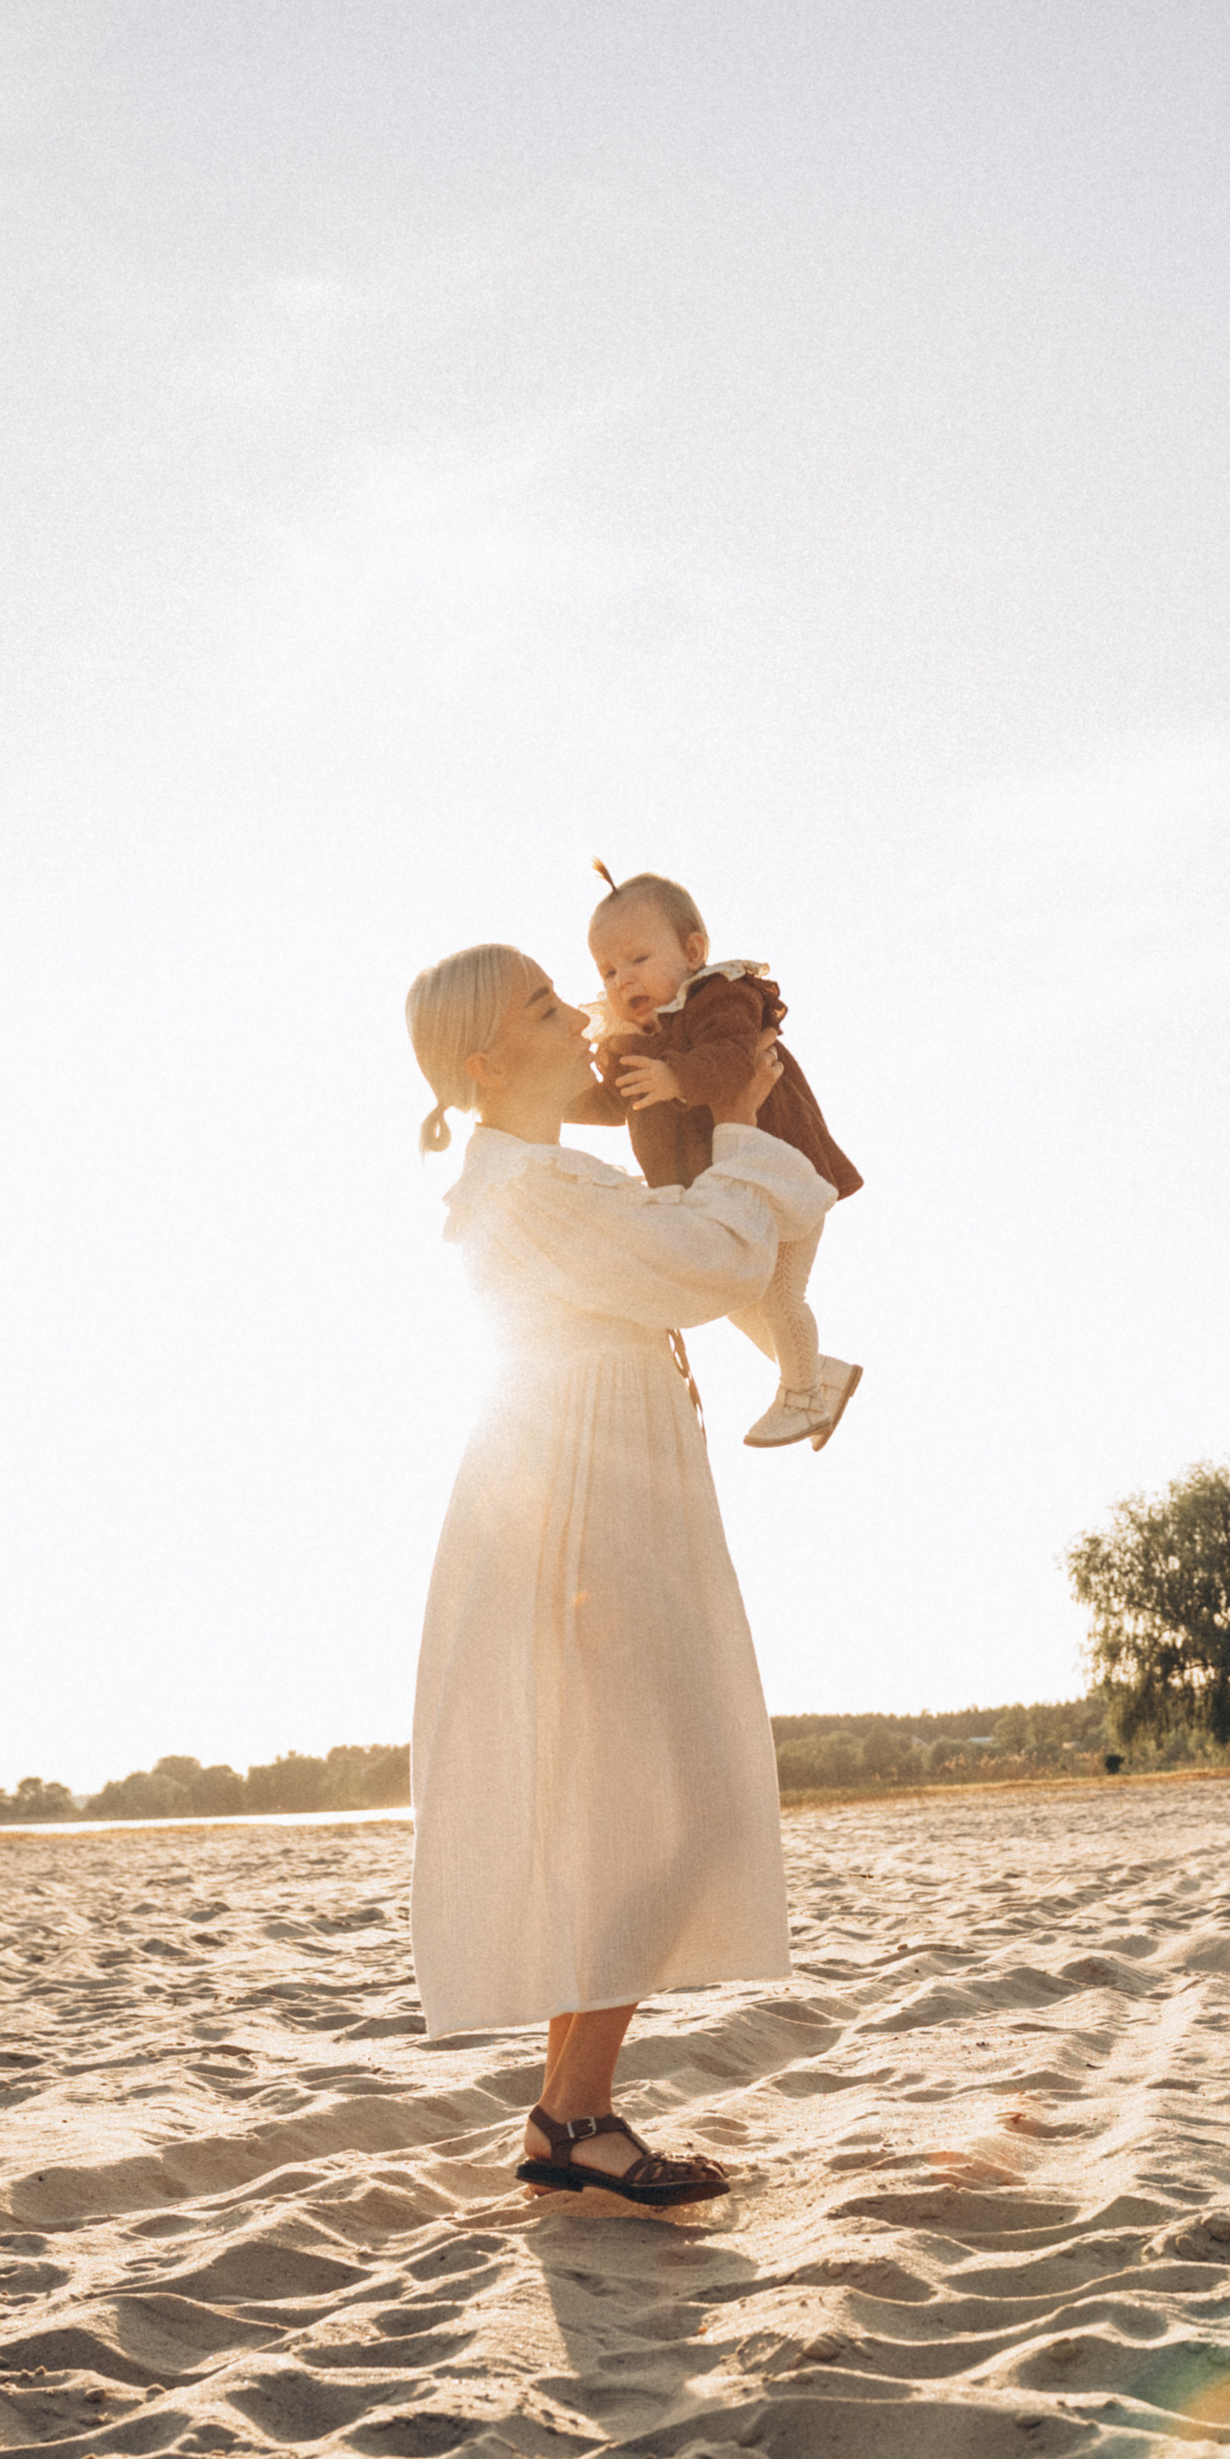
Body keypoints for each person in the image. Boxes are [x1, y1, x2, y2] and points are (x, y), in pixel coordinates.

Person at [405, 942, 832, 2204]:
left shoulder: (546, 1175)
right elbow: (703, 1263)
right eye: (547, 1005)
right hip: (581, 1507)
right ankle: (574, 2107)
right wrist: (743, 1121)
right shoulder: (525, 1194)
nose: (573, 1015)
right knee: (678, 1798)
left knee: (635, 1799)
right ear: (489, 1060)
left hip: (601, 1486)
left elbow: (681, 1243)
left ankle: (568, 2115)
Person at [586, 866, 864, 1451]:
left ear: (692, 951)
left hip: (781, 1169)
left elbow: (736, 1057)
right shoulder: (633, 1039)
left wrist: (676, 1075)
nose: (621, 980)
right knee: (740, 1293)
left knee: (782, 1296)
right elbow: (616, 1102)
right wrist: (551, 1100)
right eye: (608, 970)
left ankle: (803, 1396)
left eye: (637, 959)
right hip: (725, 1190)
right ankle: (819, 1375)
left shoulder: (718, 997)